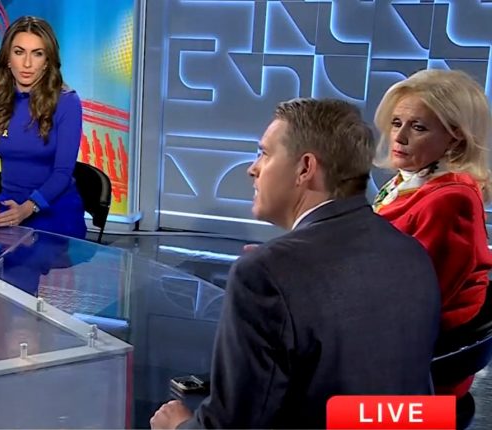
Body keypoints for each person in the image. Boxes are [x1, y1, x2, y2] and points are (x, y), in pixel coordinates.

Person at [150, 99, 440, 429]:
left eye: (264, 153)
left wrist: (178, 426)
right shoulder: (411, 252)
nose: (252, 169)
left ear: (305, 168)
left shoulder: (264, 274)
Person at [371, 69, 492, 397]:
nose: (399, 137)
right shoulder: (409, 181)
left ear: (456, 137)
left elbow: (417, 300)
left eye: (418, 127)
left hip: (420, 376)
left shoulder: (451, 200)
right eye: (396, 123)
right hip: (396, 343)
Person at [0, 16, 86, 239]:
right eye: (19, 52)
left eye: (37, 53)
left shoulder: (67, 102)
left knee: (35, 256)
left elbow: (63, 172)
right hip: (7, 207)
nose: (27, 64)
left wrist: (28, 208)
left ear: (47, 61)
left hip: (55, 210)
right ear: (7, 58)